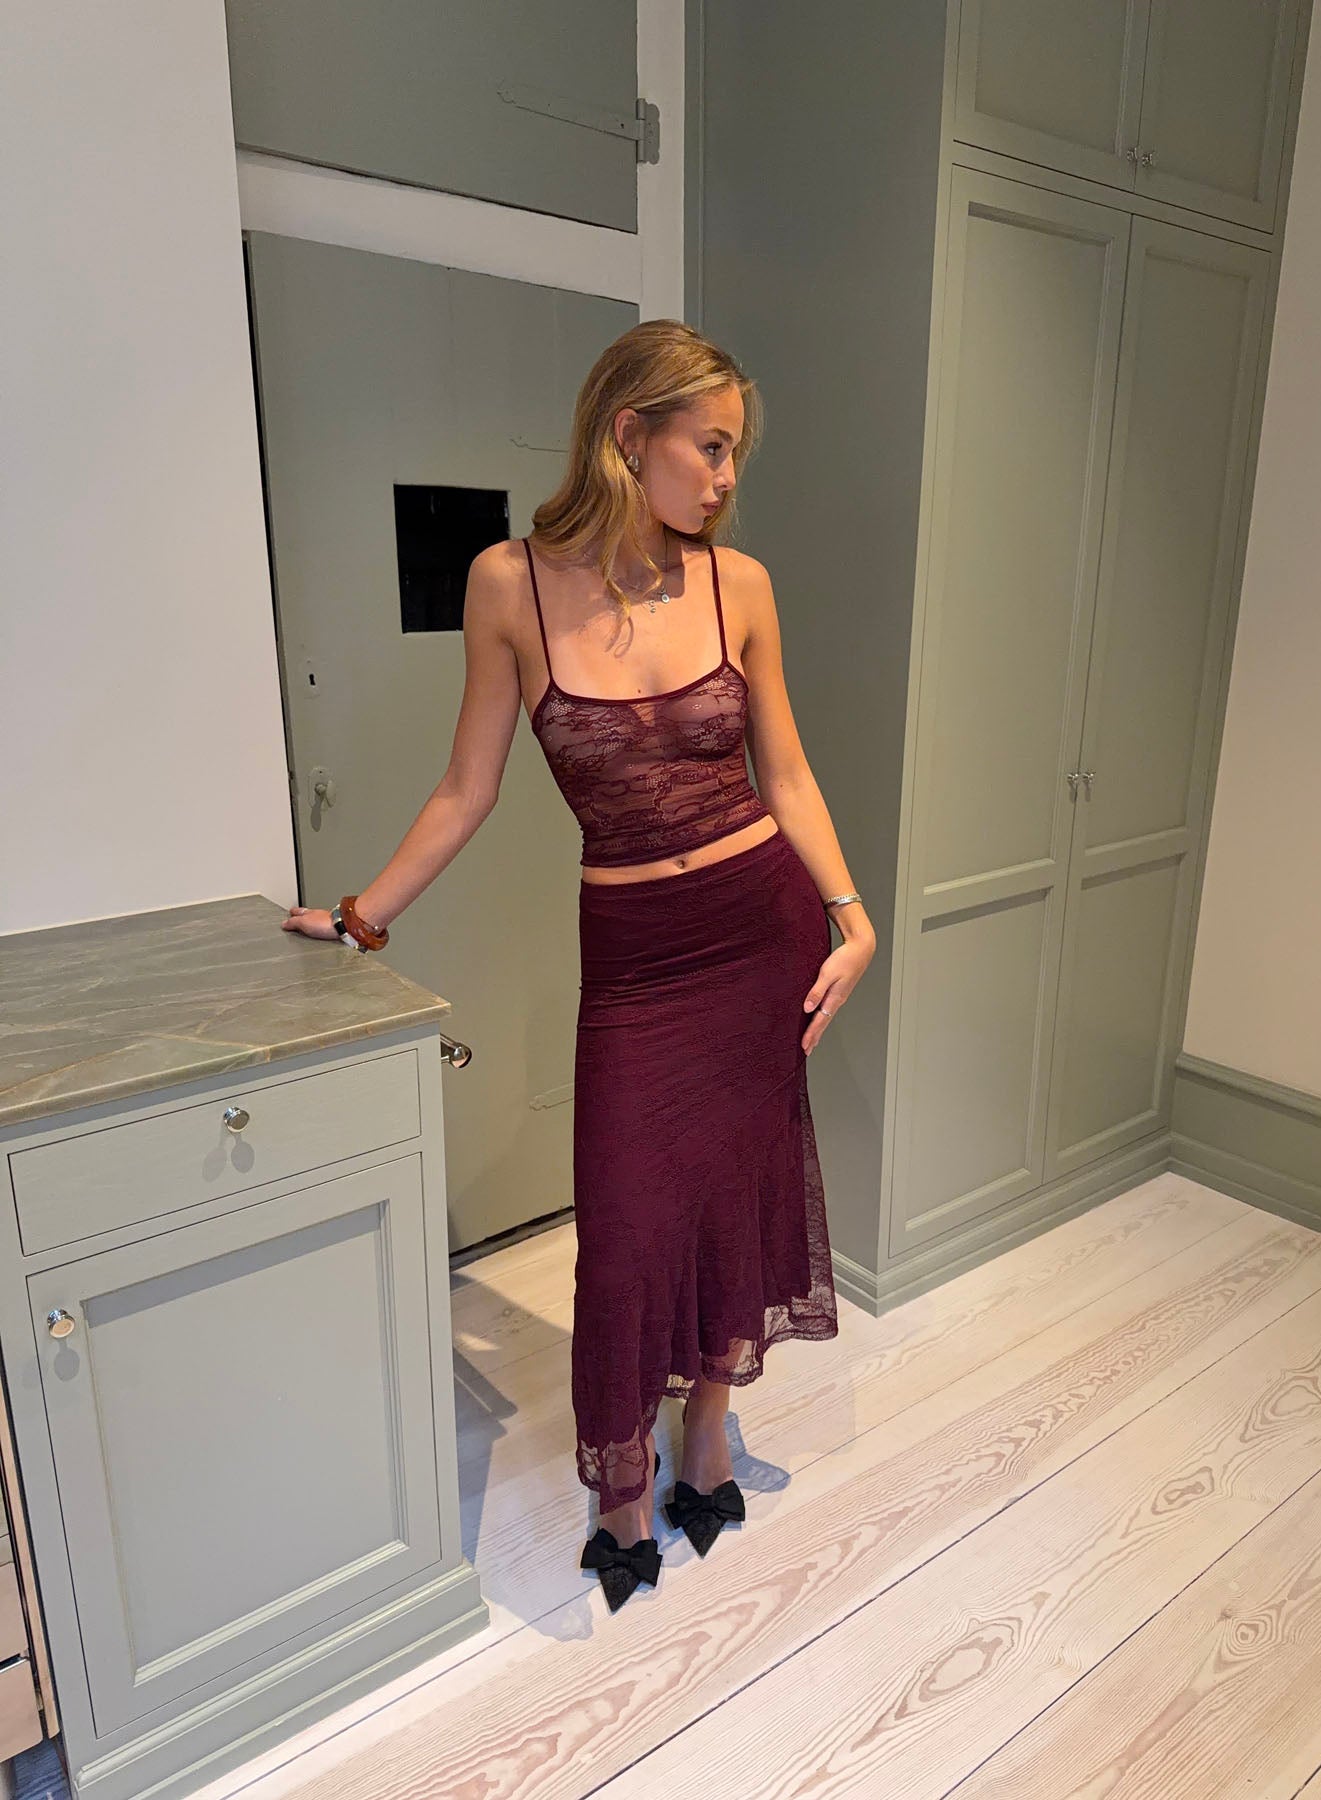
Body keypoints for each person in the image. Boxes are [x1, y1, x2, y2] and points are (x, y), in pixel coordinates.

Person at [283, 318, 875, 1613]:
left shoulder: (739, 584)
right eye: (709, 446)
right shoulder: (507, 586)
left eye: (735, 452)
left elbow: (783, 771)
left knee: (734, 1195)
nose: (726, 476)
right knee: (622, 1232)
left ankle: (705, 1429)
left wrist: (851, 914)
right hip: (639, 965)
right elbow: (467, 788)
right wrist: (362, 917)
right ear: (627, 434)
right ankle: (619, 1484)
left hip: (760, 933)